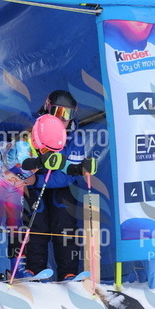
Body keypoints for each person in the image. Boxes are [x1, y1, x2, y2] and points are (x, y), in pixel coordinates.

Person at [25, 90, 97, 281]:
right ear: (47, 107)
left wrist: (38, 181)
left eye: (67, 114)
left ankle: (68, 272)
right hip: (34, 182)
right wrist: (32, 178)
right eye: (57, 112)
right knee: (37, 222)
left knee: (64, 222)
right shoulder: (32, 125)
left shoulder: (75, 137)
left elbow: (68, 176)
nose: (61, 118)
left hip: (57, 183)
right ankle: (34, 270)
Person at [0, 114, 67, 281]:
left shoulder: (43, 150)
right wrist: (42, 161)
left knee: (16, 226)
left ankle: (17, 266)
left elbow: (63, 164)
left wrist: (78, 168)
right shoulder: (23, 144)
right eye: (46, 149)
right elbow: (25, 163)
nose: (48, 153)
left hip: (16, 187)